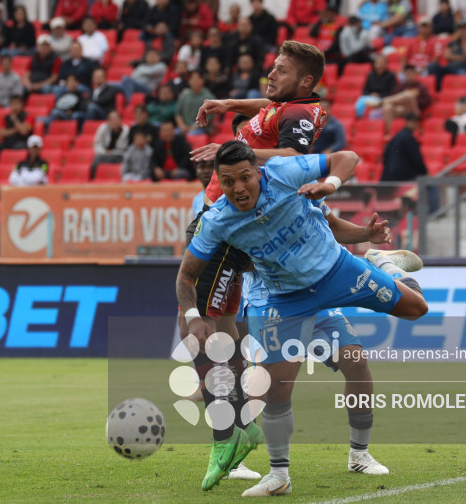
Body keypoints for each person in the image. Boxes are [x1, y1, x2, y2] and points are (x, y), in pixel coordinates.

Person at [178, 142, 427, 496]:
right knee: (276, 386)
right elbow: (190, 274)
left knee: (372, 348)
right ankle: (278, 474)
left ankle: (360, 454)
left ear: (257, 171)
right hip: (276, 299)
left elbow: (333, 205)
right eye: (227, 180)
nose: (237, 188)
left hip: (333, 274)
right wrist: (195, 316)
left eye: (244, 177)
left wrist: (341, 200)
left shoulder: (286, 178)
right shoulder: (215, 218)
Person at [380, 64, 430, 134]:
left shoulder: (420, 87)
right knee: (387, 107)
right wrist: (403, 101)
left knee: (408, 95)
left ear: (415, 74)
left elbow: (426, 102)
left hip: (414, 111)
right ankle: (389, 133)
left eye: (410, 73)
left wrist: (413, 99)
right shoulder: (401, 86)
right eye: (407, 74)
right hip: (402, 110)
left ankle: (382, 101)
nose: (409, 75)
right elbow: (394, 97)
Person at [381, 113, 425, 180]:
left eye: (416, 122)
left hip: (389, 174)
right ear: (407, 122)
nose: (415, 124)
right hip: (402, 176)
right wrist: (425, 173)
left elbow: (386, 154)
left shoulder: (397, 135)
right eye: (413, 122)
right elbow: (416, 158)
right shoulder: (408, 138)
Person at [176, 70, 216, 135]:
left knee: (191, 134)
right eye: (192, 78)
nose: (195, 81)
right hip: (185, 127)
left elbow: (209, 118)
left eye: (198, 78)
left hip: (201, 128)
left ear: (203, 80)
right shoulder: (184, 95)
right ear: (189, 81)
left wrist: (193, 127)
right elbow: (178, 113)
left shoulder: (208, 97)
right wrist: (182, 126)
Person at [91, 110, 129, 176]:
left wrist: (112, 152)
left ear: (120, 120)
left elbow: (125, 148)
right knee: (97, 159)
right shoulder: (103, 128)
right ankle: (93, 179)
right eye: (111, 119)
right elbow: (97, 144)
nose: (114, 122)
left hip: (119, 155)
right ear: (108, 121)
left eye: (116, 119)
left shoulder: (126, 131)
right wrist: (104, 152)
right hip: (104, 154)